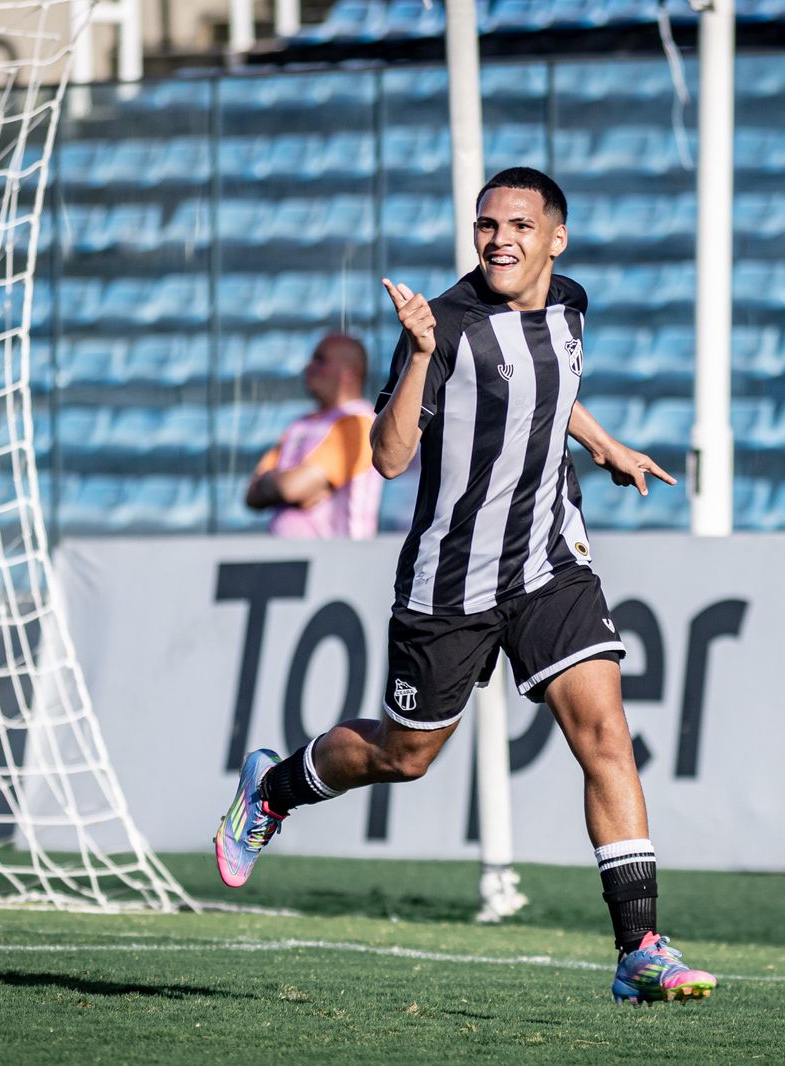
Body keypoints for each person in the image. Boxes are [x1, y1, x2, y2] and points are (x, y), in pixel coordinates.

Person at [214, 168, 716, 1006]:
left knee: (606, 733)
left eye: (520, 225)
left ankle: (640, 951)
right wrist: (416, 355)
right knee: (400, 757)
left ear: (557, 238)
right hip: (451, 580)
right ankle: (272, 789)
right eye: (487, 225)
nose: (500, 239)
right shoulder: (443, 324)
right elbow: (389, 457)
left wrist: (603, 444)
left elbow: (547, 388)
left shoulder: (572, 304)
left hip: (550, 562)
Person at [245, 332, 382, 539]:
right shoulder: (301, 424)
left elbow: (293, 488)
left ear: (348, 372)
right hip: (287, 559)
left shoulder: (358, 423)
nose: (308, 368)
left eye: (320, 360)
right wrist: (285, 486)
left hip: (335, 561)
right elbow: (252, 495)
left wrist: (277, 485)